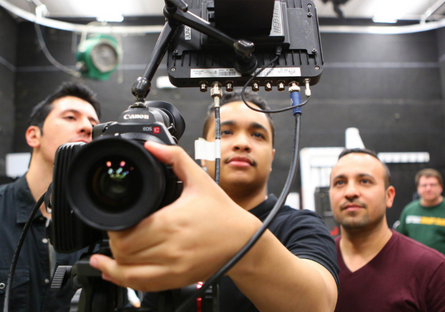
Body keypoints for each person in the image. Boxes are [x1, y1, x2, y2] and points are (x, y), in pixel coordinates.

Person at [89, 92, 339, 312]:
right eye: (226, 132)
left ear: (272, 157)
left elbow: (319, 304)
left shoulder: (299, 226)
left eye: (258, 135)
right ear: (202, 151)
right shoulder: (171, 222)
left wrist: (239, 241)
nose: (242, 143)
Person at [0, 82, 101, 311]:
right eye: (70, 117)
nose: (86, 127)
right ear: (34, 135)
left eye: (93, 123)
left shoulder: (102, 222)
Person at [330, 148, 445, 312]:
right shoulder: (316, 265)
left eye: (364, 181)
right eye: (340, 183)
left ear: (389, 196)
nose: (350, 192)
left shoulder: (433, 270)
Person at [397, 168, 445, 255]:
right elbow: (400, 240)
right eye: (424, 185)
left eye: (433, 185)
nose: (428, 188)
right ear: (418, 188)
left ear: (440, 187)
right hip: (413, 265)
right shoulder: (409, 210)